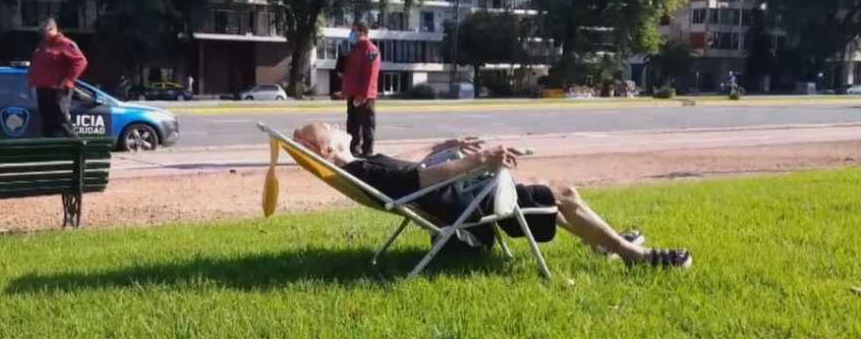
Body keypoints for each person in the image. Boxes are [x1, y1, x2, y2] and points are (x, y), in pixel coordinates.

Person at [292, 122, 693, 268]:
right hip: (467, 204)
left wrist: (440, 144)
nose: (335, 124)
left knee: (547, 200)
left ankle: (608, 244)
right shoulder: (360, 170)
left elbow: (407, 169)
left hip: (459, 197)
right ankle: (636, 257)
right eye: (327, 126)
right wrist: (481, 160)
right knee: (561, 193)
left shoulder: (363, 167)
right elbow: (420, 182)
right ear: (326, 149)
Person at [29, 18, 88, 138]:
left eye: (43, 30)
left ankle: (76, 146)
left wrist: (68, 79)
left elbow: (81, 61)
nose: (41, 33)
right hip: (43, 89)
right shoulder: (42, 45)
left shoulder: (65, 43)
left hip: (58, 89)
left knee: (61, 120)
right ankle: (51, 150)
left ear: (52, 29)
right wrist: (33, 82)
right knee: (47, 122)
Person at [342, 21, 381, 156]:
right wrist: (345, 91)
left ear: (362, 32)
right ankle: (353, 151)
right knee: (352, 125)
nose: (351, 34)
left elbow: (371, 74)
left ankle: (367, 153)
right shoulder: (355, 50)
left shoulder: (371, 50)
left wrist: (364, 94)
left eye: (354, 31)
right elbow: (350, 73)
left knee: (367, 126)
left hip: (365, 97)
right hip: (352, 95)